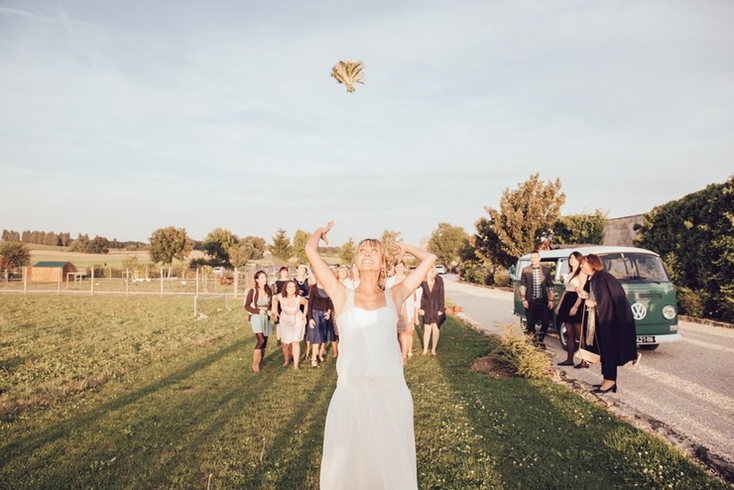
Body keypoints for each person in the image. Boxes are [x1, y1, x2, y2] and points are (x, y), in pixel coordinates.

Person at [306, 221, 435, 490]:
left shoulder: (395, 295)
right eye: (362, 249)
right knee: (351, 468)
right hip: (351, 393)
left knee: (390, 465)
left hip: (390, 392)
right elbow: (310, 250)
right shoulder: (341, 294)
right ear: (355, 260)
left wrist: (407, 248)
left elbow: (430, 259)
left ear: (383, 262)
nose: (367, 252)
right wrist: (320, 234)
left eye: (373, 250)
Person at [579, 254, 637, 394]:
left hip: (610, 321)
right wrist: (585, 296)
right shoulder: (594, 279)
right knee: (604, 350)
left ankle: (611, 382)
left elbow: (610, 299)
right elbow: (598, 297)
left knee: (609, 350)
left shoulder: (604, 277)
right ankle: (606, 379)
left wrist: (594, 303)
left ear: (592, 264)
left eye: (583, 263)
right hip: (601, 320)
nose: (581, 266)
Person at [555, 251, 588, 366]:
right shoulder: (569, 274)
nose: (572, 260)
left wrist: (575, 306)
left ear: (579, 260)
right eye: (570, 258)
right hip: (567, 301)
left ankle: (584, 360)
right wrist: (559, 305)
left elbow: (582, 291)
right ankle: (569, 359)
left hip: (576, 301)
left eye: (574, 258)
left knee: (579, 333)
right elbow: (566, 290)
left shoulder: (582, 274)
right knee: (569, 332)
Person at [519, 250, 555, 347]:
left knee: (546, 322)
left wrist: (551, 300)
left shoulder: (546, 270)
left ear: (539, 258)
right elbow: (523, 286)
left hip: (543, 301)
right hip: (531, 301)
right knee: (530, 323)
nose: (533, 259)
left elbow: (550, 286)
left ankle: (540, 340)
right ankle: (535, 341)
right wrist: (524, 299)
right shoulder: (526, 270)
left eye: (535, 257)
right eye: (531, 258)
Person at [385, 260, 419, 364]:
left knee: (404, 333)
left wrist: (413, 315)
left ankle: (403, 356)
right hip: (392, 309)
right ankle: (393, 355)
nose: (399, 269)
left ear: (404, 268)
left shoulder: (408, 280)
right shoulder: (390, 281)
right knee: (391, 334)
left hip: (404, 309)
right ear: (394, 268)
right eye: (397, 267)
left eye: (401, 267)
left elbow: (413, 299)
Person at [272, 280, 309, 370]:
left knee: (295, 342)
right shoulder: (280, 296)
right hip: (285, 319)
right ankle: (287, 360)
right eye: (289, 287)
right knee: (285, 343)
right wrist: (276, 312)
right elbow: (274, 300)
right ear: (285, 288)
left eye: (293, 287)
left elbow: (307, 303)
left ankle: (296, 364)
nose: (291, 289)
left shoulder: (298, 298)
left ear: (296, 288)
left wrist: (304, 315)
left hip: (297, 320)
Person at [243, 270, 272, 373]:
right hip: (256, 317)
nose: (265, 279)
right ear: (257, 279)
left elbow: (271, 304)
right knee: (261, 340)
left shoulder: (269, 290)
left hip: (266, 318)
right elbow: (246, 306)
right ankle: (255, 364)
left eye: (265, 277)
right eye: (262, 277)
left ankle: (261, 361)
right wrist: (257, 311)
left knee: (265, 340)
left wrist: (269, 311)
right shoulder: (253, 291)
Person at [307, 278, 334, 367]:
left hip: (325, 315)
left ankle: (320, 354)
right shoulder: (314, 288)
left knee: (323, 337)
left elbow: (331, 301)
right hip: (315, 315)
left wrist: (329, 312)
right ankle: (313, 359)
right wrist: (310, 318)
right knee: (317, 337)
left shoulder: (328, 287)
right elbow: (309, 304)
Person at [420, 266, 445, 356]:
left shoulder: (439, 279)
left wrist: (441, 308)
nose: (427, 271)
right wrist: (421, 308)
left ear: (432, 270)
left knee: (435, 328)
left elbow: (441, 294)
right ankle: (425, 349)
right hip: (427, 307)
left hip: (436, 306)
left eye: (429, 269)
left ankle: (433, 349)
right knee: (427, 328)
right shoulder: (422, 281)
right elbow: (421, 296)